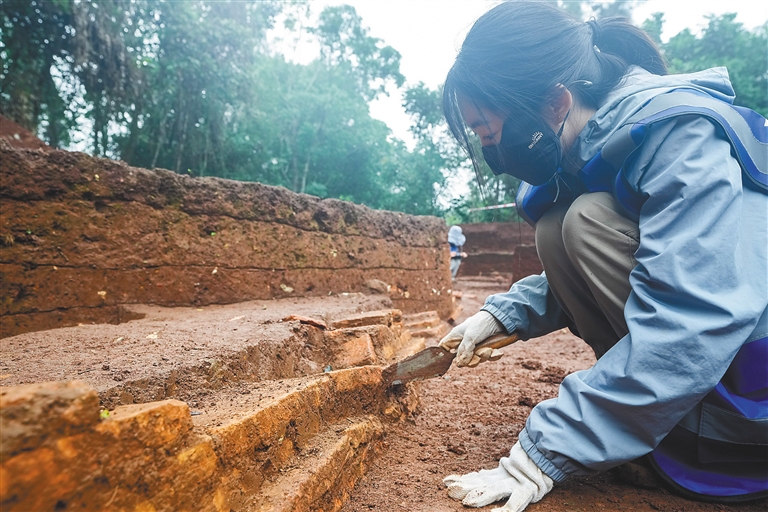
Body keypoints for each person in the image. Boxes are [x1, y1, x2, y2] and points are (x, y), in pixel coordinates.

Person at [437, 2, 768, 511]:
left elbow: (696, 314)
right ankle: (656, 427)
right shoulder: (587, 148)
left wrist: (546, 451)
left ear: (556, 102)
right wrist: (504, 314)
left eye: (490, 133)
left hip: (752, 397)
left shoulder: (679, 137)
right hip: (713, 364)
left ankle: (700, 442)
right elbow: (655, 262)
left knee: (582, 220)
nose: (495, 154)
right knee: (560, 227)